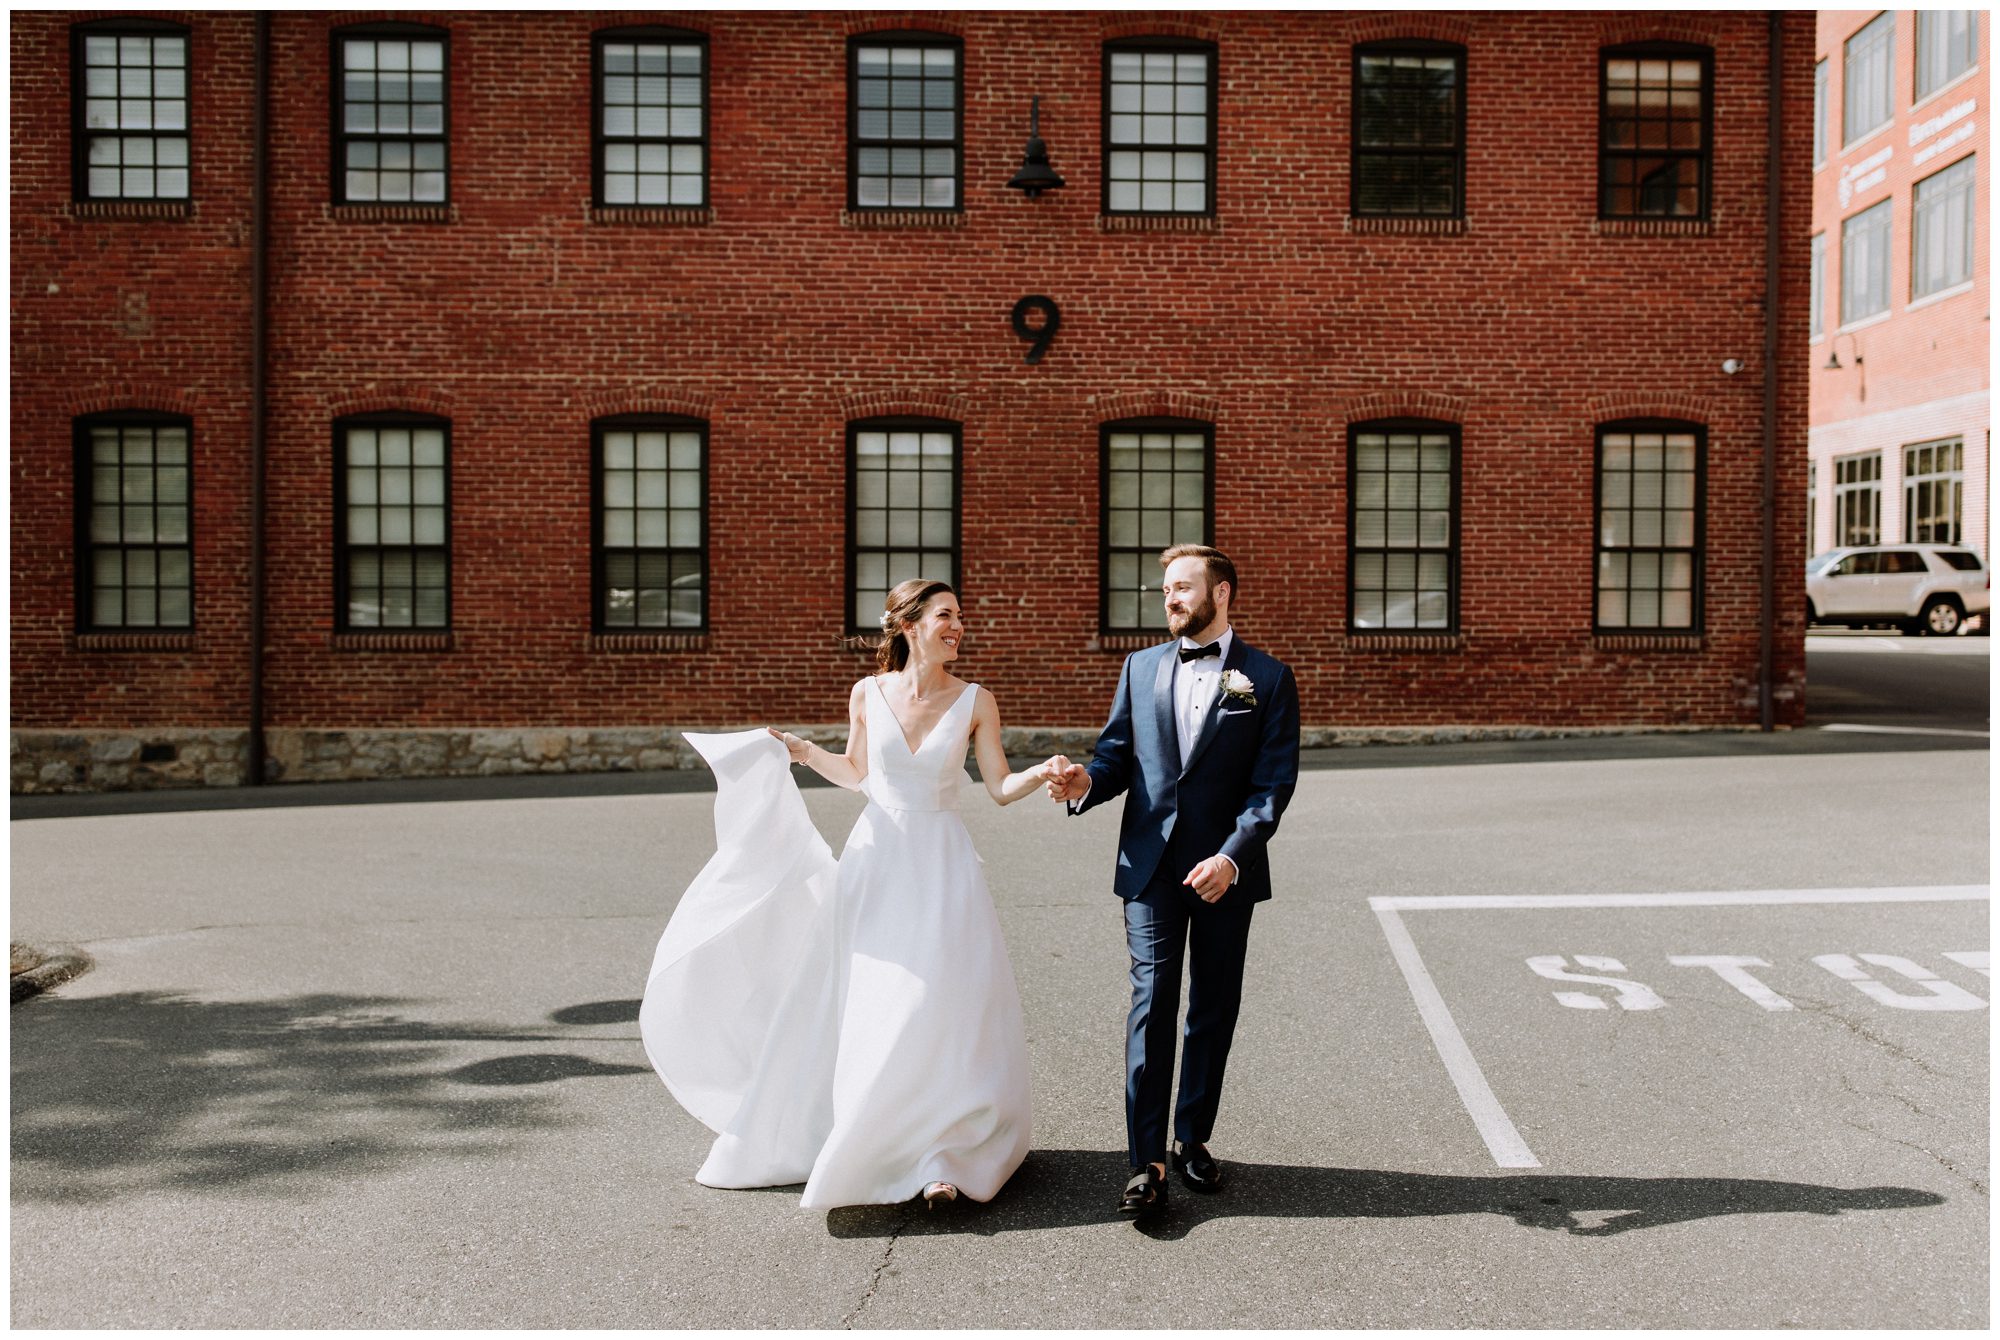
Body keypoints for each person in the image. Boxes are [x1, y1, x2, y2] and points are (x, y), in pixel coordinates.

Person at [640, 578, 1058, 1210]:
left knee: (939, 1003)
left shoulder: (977, 701)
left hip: (943, 868)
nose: (959, 626)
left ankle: (943, 1154)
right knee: (877, 1001)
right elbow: (858, 773)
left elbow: (998, 787)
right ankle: (877, 1139)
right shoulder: (868, 692)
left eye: (960, 616)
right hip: (876, 864)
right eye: (946, 615)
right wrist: (804, 751)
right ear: (910, 625)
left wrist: (1042, 772)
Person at [1047, 544, 1300, 1217]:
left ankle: (1192, 1137)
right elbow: (1115, 757)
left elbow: (1271, 786)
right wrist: (1085, 782)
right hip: (1152, 867)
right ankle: (1146, 1162)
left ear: (1222, 593)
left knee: (1213, 1007)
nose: (1170, 599)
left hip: (1225, 872)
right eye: (1166, 590)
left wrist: (1232, 857)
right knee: (1152, 1002)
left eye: (1183, 587)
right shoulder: (1140, 667)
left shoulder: (1268, 678)